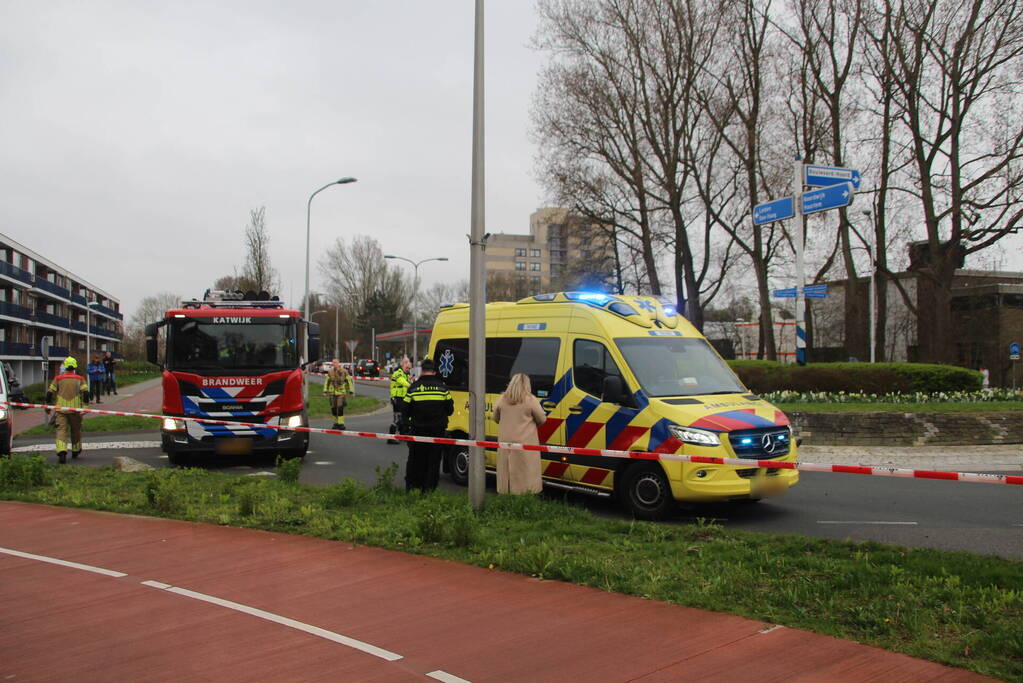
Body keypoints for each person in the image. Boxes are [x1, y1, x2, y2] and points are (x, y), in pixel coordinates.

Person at [400, 358, 452, 492]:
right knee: (434, 461)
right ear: (434, 372)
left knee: (415, 459)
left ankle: (412, 486)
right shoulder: (443, 388)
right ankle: (429, 488)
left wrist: (408, 424)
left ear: (422, 371)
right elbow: (450, 410)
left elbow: (405, 410)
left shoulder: (413, 388)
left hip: (418, 429)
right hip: (437, 430)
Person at [493, 373, 547, 494]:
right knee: (526, 474)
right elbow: (542, 419)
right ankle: (525, 498)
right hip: (525, 443)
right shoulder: (530, 399)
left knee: (505, 471)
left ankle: (505, 494)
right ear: (527, 385)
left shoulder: (502, 399)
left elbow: (495, 418)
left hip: (505, 442)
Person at [45, 356, 89, 464]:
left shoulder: (58, 378)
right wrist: (85, 407)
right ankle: (76, 450)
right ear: (74, 367)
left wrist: (48, 405)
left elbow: (50, 392)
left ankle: (61, 452)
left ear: (65, 367)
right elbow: (86, 393)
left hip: (61, 410)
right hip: (75, 410)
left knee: (61, 430)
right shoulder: (80, 378)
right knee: (76, 431)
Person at [323, 359, 354, 429]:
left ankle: (341, 424)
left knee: (340, 408)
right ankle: (335, 423)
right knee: (333, 408)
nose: (334, 364)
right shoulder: (330, 372)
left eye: (336, 362)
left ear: (338, 363)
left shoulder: (344, 371)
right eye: (333, 363)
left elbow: (349, 381)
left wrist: (351, 391)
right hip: (332, 393)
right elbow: (326, 382)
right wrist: (325, 391)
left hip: (341, 392)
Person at [388, 356, 412, 443]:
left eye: (409, 368)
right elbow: (403, 382)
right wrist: (411, 385)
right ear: (403, 365)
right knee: (397, 418)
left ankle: (402, 435)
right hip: (397, 398)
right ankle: (390, 438)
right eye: (407, 368)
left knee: (404, 417)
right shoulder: (398, 373)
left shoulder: (406, 374)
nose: (408, 369)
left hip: (403, 399)